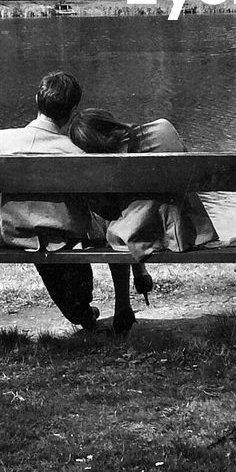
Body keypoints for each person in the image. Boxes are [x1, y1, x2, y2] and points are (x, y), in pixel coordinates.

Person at [69, 108, 220, 332]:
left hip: (136, 235)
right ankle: (139, 274)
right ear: (111, 122)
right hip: (185, 231)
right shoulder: (163, 128)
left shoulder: (102, 163)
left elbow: (108, 211)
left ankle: (123, 304)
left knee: (113, 223)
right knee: (133, 213)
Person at [0, 71, 101, 330]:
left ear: (36, 100)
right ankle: (81, 311)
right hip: (63, 237)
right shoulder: (76, 150)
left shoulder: (1, 140)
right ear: (74, 110)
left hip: (14, 234)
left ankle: (80, 312)